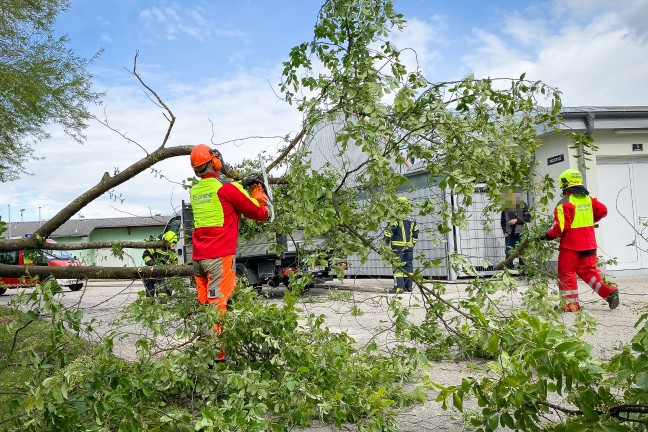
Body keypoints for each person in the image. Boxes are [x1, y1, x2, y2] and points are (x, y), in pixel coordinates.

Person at [189, 144, 269, 361]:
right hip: (219, 258)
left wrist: (240, 187)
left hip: (199, 259)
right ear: (215, 161)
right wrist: (259, 198)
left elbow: (221, 198)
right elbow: (257, 213)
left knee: (206, 307)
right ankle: (218, 360)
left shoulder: (195, 191)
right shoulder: (226, 188)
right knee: (218, 307)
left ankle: (205, 354)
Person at [545, 168, 620, 312]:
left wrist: (548, 235)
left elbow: (561, 228)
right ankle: (609, 292)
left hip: (571, 247)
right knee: (589, 272)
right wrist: (591, 220)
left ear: (564, 184)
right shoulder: (588, 199)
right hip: (589, 244)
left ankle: (570, 305)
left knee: (566, 274)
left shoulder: (565, 203)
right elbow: (603, 210)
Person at [384, 196, 419, 294]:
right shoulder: (412, 218)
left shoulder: (395, 217)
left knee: (397, 266)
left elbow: (390, 229)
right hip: (409, 246)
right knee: (408, 265)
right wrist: (412, 243)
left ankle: (399, 288)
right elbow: (416, 232)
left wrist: (385, 242)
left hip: (397, 246)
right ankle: (408, 287)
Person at [500, 187, 530, 271]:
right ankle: (509, 271)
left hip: (521, 232)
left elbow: (528, 217)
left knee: (522, 252)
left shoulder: (523, 205)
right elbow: (502, 220)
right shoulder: (506, 206)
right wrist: (504, 231)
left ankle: (523, 270)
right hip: (509, 233)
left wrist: (517, 220)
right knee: (509, 253)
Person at [141, 230, 178, 299]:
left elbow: (174, 262)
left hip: (161, 272)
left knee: (162, 292)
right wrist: (152, 263)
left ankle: (162, 307)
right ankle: (149, 306)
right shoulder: (155, 245)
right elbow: (145, 255)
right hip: (149, 272)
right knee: (150, 293)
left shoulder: (172, 251)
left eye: (174, 243)